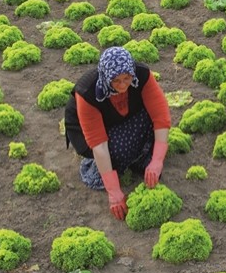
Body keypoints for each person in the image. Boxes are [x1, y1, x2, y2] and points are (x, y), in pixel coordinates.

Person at [64, 47, 170, 220]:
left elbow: (161, 117)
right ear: (106, 77)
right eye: (116, 81)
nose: (122, 85)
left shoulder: (141, 75)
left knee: (152, 125)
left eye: (127, 79)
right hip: (89, 132)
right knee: (118, 149)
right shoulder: (88, 92)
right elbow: (99, 144)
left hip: (124, 117)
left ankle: (140, 159)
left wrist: (157, 161)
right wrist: (114, 192)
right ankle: (103, 167)